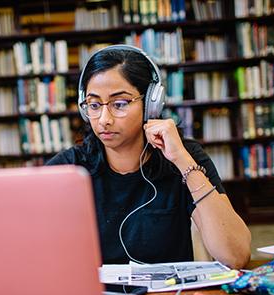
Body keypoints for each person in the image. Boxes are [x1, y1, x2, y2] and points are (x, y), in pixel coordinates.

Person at [47, 45, 251, 269]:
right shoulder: (70, 167)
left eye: (120, 104)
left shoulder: (185, 158)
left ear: (151, 104)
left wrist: (181, 159)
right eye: (94, 105)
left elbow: (236, 255)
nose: (104, 119)